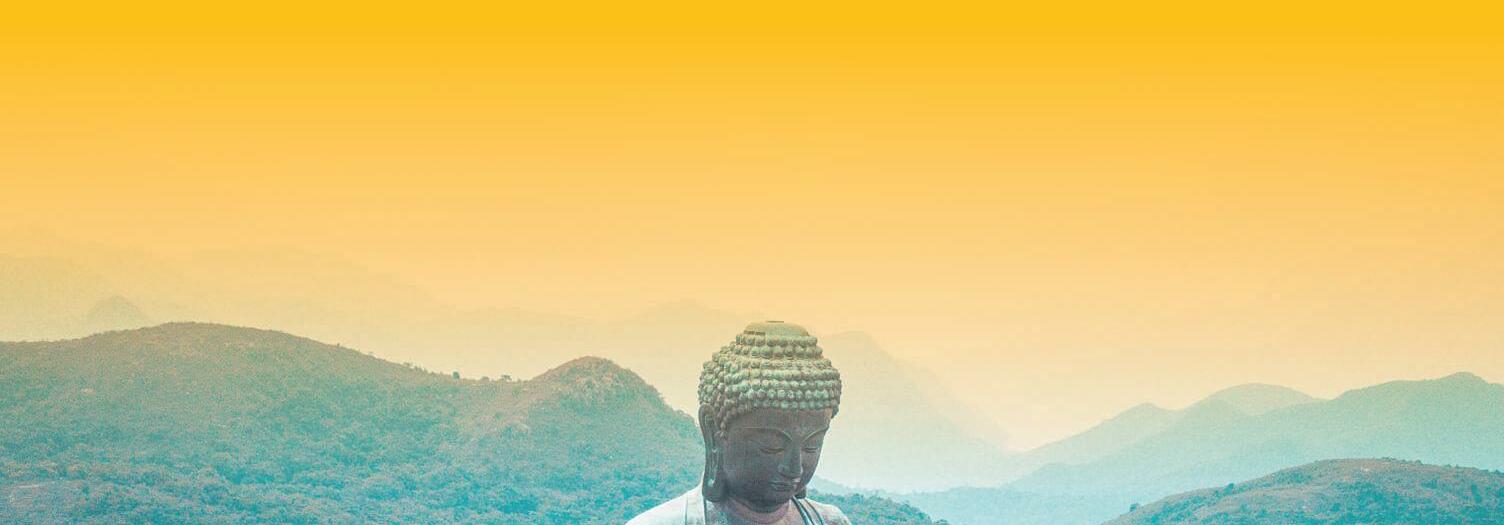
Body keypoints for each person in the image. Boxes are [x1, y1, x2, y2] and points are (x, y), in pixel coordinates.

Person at [628, 321, 851, 525]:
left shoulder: (830, 521)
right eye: (771, 446)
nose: (794, 468)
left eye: (811, 446)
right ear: (713, 431)